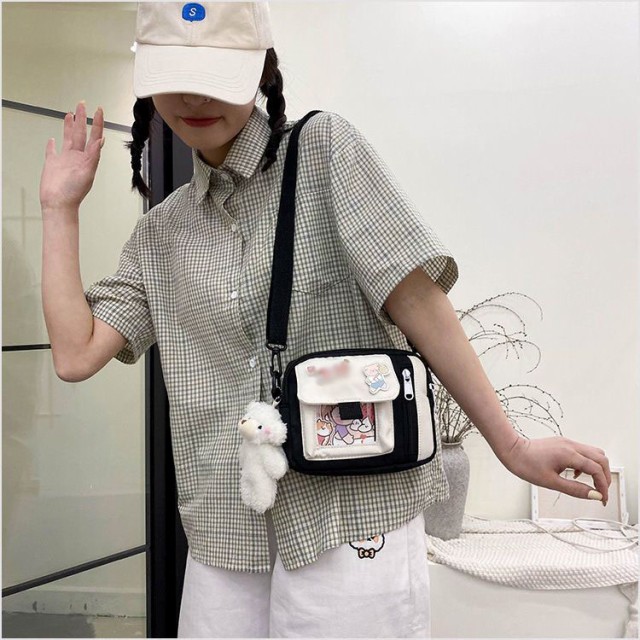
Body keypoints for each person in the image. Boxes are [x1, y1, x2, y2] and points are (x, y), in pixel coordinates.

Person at [39, 2, 611, 638]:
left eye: (216, 77)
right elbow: (75, 353)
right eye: (176, 78)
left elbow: (418, 303)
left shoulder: (324, 151)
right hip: (225, 525)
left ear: (260, 69)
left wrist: (512, 445)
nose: (195, 98)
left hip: (351, 509)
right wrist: (60, 208)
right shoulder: (162, 232)